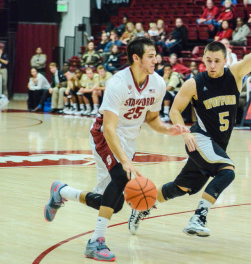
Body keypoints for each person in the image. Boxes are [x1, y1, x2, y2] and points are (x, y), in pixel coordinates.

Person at [128, 3, 251, 238]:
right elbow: (175, 110)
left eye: (217, 61)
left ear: (225, 60)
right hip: (199, 139)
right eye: (208, 60)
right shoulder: (194, 83)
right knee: (228, 172)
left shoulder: (234, 75)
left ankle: (140, 206)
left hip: (216, 145)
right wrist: (184, 131)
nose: (212, 65)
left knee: (181, 188)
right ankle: (198, 217)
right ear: (203, 59)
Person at [44, 37, 188, 261]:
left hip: (128, 140)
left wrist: (169, 130)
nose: (156, 60)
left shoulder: (157, 83)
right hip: (104, 135)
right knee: (121, 176)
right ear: (136, 58)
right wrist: (125, 162)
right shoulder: (118, 83)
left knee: (114, 203)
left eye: (155, 55)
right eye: (150, 56)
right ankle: (95, 242)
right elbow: (109, 129)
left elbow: (151, 119)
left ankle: (61, 192)